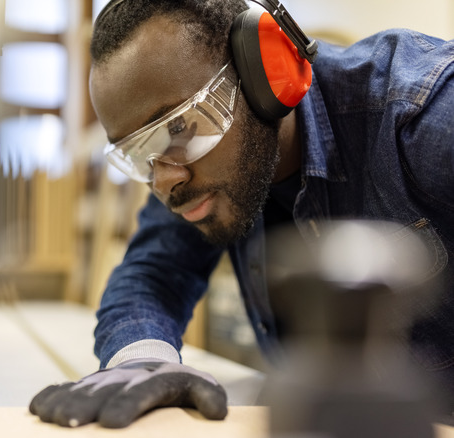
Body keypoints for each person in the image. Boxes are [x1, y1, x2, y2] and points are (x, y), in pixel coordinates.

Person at [28, 0, 454, 429]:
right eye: (140, 155)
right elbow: (152, 276)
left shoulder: (422, 112)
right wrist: (142, 360)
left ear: (265, 74)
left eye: (178, 129)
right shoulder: (194, 176)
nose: (164, 183)